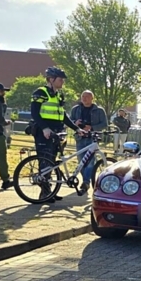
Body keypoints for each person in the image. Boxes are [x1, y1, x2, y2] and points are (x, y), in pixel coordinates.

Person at [31, 67, 88, 202]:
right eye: (60, 79)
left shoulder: (59, 95)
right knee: (45, 162)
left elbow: (63, 116)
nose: (63, 81)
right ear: (51, 79)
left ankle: (49, 191)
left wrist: (76, 129)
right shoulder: (41, 92)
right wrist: (45, 128)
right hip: (44, 132)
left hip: (56, 132)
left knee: (52, 162)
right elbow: (34, 113)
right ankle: (45, 193)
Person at [69, 90, 109, 195]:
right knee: (81, 161)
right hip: (80, 137)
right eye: (83, 96)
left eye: (87, 96)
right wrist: (75, 123)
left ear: (92, 98)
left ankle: (86, 182)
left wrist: (91, 127)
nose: (84, 98)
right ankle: (85, 181)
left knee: (90, 162)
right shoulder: (75, 109)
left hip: (92, 138)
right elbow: (69, 121)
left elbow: (104, 124)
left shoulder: (99, 110)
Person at [0, 82, 11, 189]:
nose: (3, 93)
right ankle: (6, 180)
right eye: (1, 91)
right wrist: (6, 122)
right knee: (1, 159)